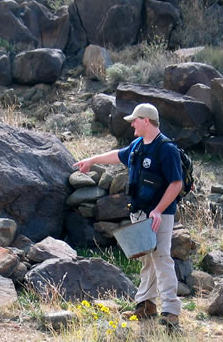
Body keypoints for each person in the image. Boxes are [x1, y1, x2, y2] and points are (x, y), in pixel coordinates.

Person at [73, 103, 183, 329]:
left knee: (161, 258)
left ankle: (171, 310)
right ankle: (146, 304)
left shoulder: (166, 149)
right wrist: (92, 160)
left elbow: (176, 183)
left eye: (135, 120)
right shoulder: (137, 145)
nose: (131, 124)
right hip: (140, 213)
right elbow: (117, 156)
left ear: (146, 121)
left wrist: (159, 210)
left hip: (159, 216)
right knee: (146, 258)